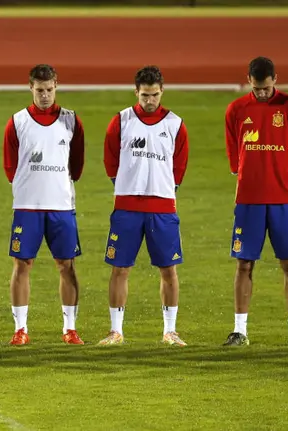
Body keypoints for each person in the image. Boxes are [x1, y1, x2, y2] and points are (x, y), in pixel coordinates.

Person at [98, 65, 189, 346]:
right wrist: (127, 185)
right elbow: (110, 161)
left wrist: (162, 189)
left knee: (168, 269)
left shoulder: (175, 124)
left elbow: (179, 166)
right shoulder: (122, 121)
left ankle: (170, 331)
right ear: (136, 92)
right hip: (127, 207)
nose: (150, 101)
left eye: (155, 95)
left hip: (162, 208)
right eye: (145, 96)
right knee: (120, 269)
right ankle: (116, 331)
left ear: (162, 92)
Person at [223, 56, 288, 348]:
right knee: (244, 264)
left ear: (276, 80)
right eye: (257, 88)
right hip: (249, 199)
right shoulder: (236, 110)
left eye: (267, 88)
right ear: (249, 80)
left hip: (283, 198)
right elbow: (234, 155)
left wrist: (281, 174)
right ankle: (239, 330)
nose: (262, 93)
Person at [2, 64, 86, 346]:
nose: (45, 95)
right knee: (22, 265)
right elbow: (10, 167)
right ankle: (20, 329)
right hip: (27, 207)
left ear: (56, 86)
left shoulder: (71, 120)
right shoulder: (17, 122)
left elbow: (77, 165)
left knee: (66, 266)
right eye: (39, 90)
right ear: (31, 89)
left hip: (61, 206)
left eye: (49, 90)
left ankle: (70, 329)